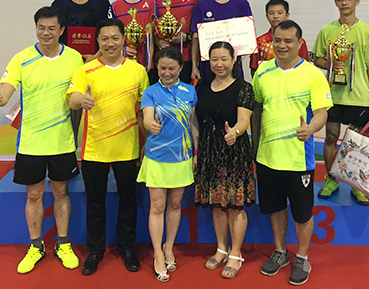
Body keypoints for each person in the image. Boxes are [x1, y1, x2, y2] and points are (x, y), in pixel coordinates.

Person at [0, 6, 83, 274]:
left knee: (61, 192)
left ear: (61, 30)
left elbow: (77, 94)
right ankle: (36, 246)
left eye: (52, 28)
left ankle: (63, 244)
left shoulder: (74, 58)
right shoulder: (22, 58)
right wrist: (1, 97)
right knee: (34, 194)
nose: (46, 33)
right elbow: (7, 88)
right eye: (41, 28)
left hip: (62, 140)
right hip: (30, 142)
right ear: (36, 28)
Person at [252, 20, 332, 286]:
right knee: (275, 209)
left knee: (302, 213)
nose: (282, 45)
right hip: (267, 157)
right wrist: (254, 145)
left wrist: (310, 128)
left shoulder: (313, 74)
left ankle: (303, 257)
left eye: (288, 41)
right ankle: (280, 252)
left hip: (299, 160)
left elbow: (321, 113)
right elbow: (257, 109)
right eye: (277, 40)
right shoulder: (262, 71)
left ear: (300, 43)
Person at [68, 18, 149, 275]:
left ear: (124, 39)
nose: (110, 43)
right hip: (94, 149)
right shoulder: (86, 70)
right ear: (98, 41)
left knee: (128, 201)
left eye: (115, 38)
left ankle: (127, 248)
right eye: (104, 39)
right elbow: (73, 100)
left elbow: (144, 110)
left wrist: (145, 144)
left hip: (128, 148)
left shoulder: (138, 70)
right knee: (95, 202)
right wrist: (82, 100)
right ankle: (95, 250)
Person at [313, 0, 369, 206]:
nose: (344, 3)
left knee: (357, 143)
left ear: (357, 1)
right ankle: (331, 179)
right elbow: (317, 59)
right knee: (331, 137)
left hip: (358, 96)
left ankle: (356, 185)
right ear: (335, 3)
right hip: (332, 96)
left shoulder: (367, 32)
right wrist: (332, 64)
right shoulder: (327, 30)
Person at [194, 41, 255, 279]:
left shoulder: (243, 88)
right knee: (217, 203)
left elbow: (244, 120)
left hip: (233, 151)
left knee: (234, 206)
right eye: (214, 59)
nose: (219, 64)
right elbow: (196, 121)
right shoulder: (201, 86)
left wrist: (235, 133)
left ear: (233, 60)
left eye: (224, 59)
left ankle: (236, 253)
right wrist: (197, 152)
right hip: (209, 151)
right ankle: (221, 248)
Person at [138, 47, 198, 282]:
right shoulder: (150, 92)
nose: (167, 72)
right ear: (157, 68)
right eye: (162, 68)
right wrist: (150, 125)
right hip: (157, 156)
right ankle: (157, 255)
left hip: (182, 156)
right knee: (157, 206)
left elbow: (193, 124)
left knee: (175, 205)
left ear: (180, 68)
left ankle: (169, 247)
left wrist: (196, 153)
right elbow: (147, 117)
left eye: (172, 68)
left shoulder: (190, 91)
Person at [190, 0, 253, 81]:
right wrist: (194, 66)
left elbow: (247, 37)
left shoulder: (242, 4)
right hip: (207, 67)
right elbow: (196, 38)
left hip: (233, 68)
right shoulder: (202, 5)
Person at [149, 0, 201, 85]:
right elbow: (151, 30)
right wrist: (158, 41)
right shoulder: (154, 0)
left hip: (185, 57)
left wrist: (186, 37)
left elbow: (198, 30)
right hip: (162, 59)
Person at [111, 0, 157, 69]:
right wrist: (122, 50)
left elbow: (151, 35)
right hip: (122, 61)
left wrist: (149, 62)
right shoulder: (115, 6)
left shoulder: (151, 3)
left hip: (145, 61)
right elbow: (113, 35)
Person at [250, 0, 310, 77]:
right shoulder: (259, 42)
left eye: (280, 13)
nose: (275, 16)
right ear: (267, 16)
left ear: (287, 15)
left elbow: (305, 65)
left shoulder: (297, 42)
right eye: (271, 13)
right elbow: (254, 69)